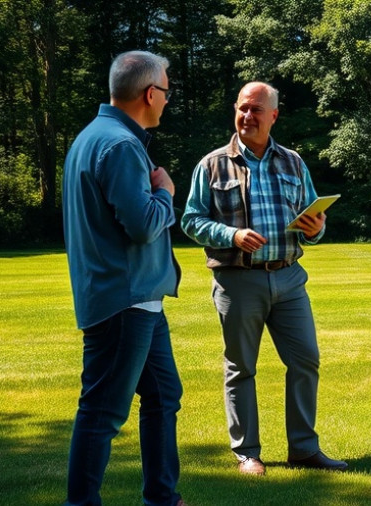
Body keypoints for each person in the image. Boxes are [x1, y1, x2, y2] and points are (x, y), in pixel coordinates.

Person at [181, 82, 347, 476]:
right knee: (241, 367)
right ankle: (248, 453)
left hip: (289, 279)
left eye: (257, 110)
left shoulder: (293, 162)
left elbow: (313, 222)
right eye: (242, 108)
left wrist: (315, 227)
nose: (247, 117)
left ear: (274, 116)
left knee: (306, 360)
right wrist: (231, 236)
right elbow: (190, 219)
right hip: (238, 281)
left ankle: (304, 449)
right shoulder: (212, 164)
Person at [62, 50, 184, 505]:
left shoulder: (94, 136)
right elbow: (143, 224)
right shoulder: (120, 145)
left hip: (135, 299)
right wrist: (165, 191)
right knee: (101, 413)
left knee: (163, 396)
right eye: (167, 92)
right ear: (150, 94)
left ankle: (163, 497)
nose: (167, 100)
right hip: (123, 300)